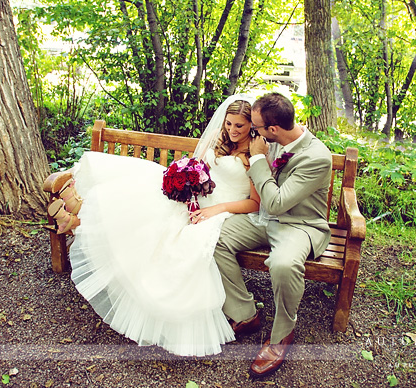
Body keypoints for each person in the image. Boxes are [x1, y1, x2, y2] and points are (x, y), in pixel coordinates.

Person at [44, 95, 260, 356]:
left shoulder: (256, 152)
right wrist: (186, 184)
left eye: (239, 126)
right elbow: (195, 166)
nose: (233, 131)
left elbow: (254, 203)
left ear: (251, 125)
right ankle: (82, 212)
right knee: (149, 192)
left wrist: (215, 209)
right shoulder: (218, 137)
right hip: (198, 198)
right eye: (229, 124)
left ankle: (82, 217)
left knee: (172, 232)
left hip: (222, 208)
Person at [213, 92, 332, 377]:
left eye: (256, 127)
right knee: (212, 237)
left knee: (283, 264)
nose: (253, 132)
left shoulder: (317, 157)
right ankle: (245, 315)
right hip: (264, 220)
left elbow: (277, 201)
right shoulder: (270, 139)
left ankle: (281, 336)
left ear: (273, 128)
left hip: (299, 225)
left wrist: (257, 160)